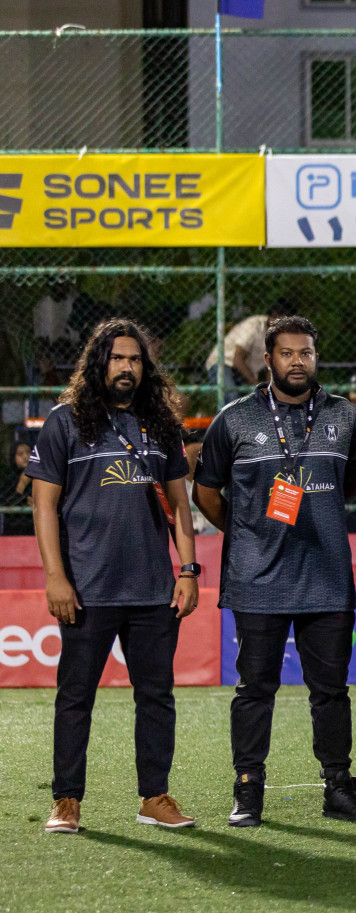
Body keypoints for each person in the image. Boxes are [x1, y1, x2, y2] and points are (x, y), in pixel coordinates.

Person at [194, 314, 356, 828]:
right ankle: (248, 789)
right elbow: (205, 494)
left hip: (326, 578)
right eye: (287, 353)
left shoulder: (345, 418)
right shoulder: (234, 419)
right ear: (267, 360)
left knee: (332, 692)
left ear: (316, 359)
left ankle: (338, 789)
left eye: (306, 353)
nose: (297, 362)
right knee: (254, 690)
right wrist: (248, 528)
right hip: (257, 580)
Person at [30, 319, 201, 835]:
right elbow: (43, 505)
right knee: (75, 696)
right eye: (117, 358)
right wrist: (55, 577)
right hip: (86, 589)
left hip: (152, 589)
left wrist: (188, 570)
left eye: (135, 360)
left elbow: (179, 505)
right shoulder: (66, 422)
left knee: (156, 696)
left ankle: (154, 797)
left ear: (145, 369)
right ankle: (67, 800)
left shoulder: (160, 425)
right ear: (98, 362)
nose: (126, 367)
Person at [203, 300, 292, 393]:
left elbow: (271, 369)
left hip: (244, 372)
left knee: (256, 401)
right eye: (274, 316)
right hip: (223, 362)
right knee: (231, 394)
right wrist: (256, 385)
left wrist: (269, 393)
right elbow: (237, 359)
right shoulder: (254, 326)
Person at [4, 440, 34, 535]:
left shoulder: (40, 478)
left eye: (28, 452)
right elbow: (7, 502)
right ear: (14, 457)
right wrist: (23, 482)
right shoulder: (8, 478)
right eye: (20, 454)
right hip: (13, 529)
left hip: (34, 528)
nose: (26, 457)